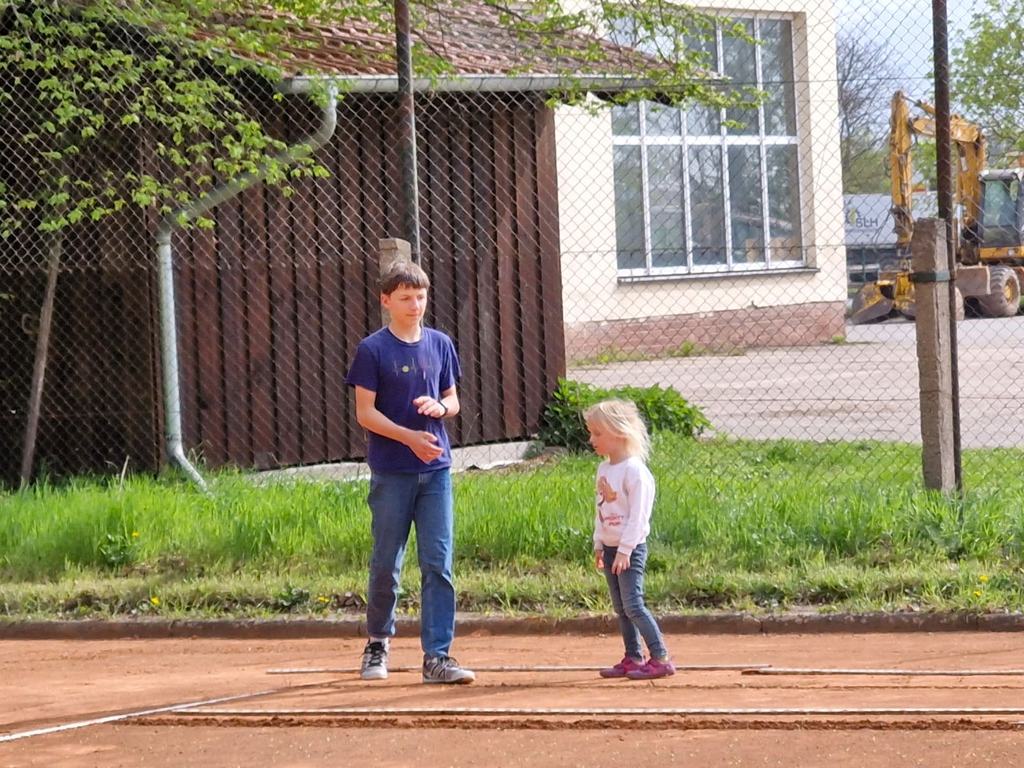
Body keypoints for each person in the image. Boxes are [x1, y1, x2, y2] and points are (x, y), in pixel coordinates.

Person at [345, 259, 475, 685]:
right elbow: (366, 414)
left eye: (420, 296)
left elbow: (452, 399)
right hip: (392, 472)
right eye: (405, 298)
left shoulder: (440, 343)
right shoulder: (372, 350)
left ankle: (437, 656)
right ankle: (377, 643)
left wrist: (441, 408)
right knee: (387, 562)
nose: (415, 305)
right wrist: (408, 438)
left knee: (438, 563)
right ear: (386, 301)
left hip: (436, 472)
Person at [585, 399, 675, 680]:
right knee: (621, 608)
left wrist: (626, 550)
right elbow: (601, 510)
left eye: (597, 433)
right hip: (611, 549)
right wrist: (599, 543)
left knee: (633, 605)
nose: (591, 440)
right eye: (591, 433)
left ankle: (660, 658)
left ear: (619, 432)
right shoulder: (604, 469)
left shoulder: (635, 471)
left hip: (630, 550)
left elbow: (639, 518)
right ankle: (633, 657)